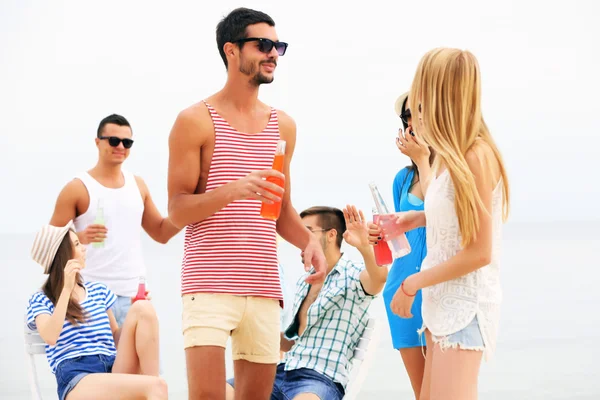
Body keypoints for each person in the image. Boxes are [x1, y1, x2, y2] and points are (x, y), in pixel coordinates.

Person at [166, 7, 327, 399]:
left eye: (278, 46)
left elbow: (282, 210)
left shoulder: (283, 125)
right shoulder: (195, 120)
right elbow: (177, 209)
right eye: (263, 44)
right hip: (208, 285)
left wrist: (309, 242)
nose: (273, 54)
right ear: (232, 51)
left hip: (263, 286)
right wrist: (234, 190)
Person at [378, 48, 511, 400]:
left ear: (438, 93)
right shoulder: (451, 159)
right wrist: (417, 217)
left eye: (421, 91)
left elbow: (481, 251)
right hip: (440, 307)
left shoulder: (476, 155)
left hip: (462, 309)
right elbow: (457, 218)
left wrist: (412, 285)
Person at [227, 205, 387, 400]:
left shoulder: (351, 275)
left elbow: (378, 279)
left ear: (331, 235)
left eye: (308, 232)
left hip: (319, 379)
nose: (301, 239)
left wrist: (364, 246)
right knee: (220, 392)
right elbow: (292, 342)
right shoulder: (305, 282)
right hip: (282, 372)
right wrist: (249, 323)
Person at [49, 113, 180, 326]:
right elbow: (49, 243)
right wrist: (78, 236)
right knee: (97, 361)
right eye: (114, 140)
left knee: (142, 360)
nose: (120, 146)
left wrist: (189, 212)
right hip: (89, 298)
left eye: (127, 142)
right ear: (97, 142)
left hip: (133, 297)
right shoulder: (77, 188)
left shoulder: (138, 185)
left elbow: (161, 232)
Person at [26, 221, 167, 400]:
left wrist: (135, 315)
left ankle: (150, 383)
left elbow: (116, 337)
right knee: (157, 386)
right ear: (63, 256)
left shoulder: (98, 290)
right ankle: (151, 386)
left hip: (112, 369)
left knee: (143, 308)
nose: (84, 248)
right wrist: (66, 290)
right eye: (77, 244)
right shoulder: (41, 299)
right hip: (77, 378)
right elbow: (50, 336)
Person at [379, 91, 434, 399]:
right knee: (422, 393)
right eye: (406, 117)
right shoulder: (402, 178)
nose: (412, 123)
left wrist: (423, 158)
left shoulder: (448, 171)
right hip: (399, 288)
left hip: (432, 288)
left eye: (418, 113)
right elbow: (403, 237)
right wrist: (378, 236)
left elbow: (440, 210)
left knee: (443, 390)